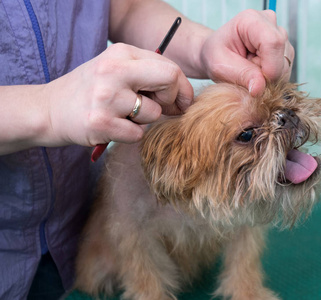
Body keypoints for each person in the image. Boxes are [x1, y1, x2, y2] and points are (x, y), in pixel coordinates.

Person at [0, 0, 294, 299]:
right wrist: (48, 109)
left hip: (72, 219)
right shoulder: (138, 171)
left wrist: (203, 46)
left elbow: (123, 8)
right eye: (247, 133)